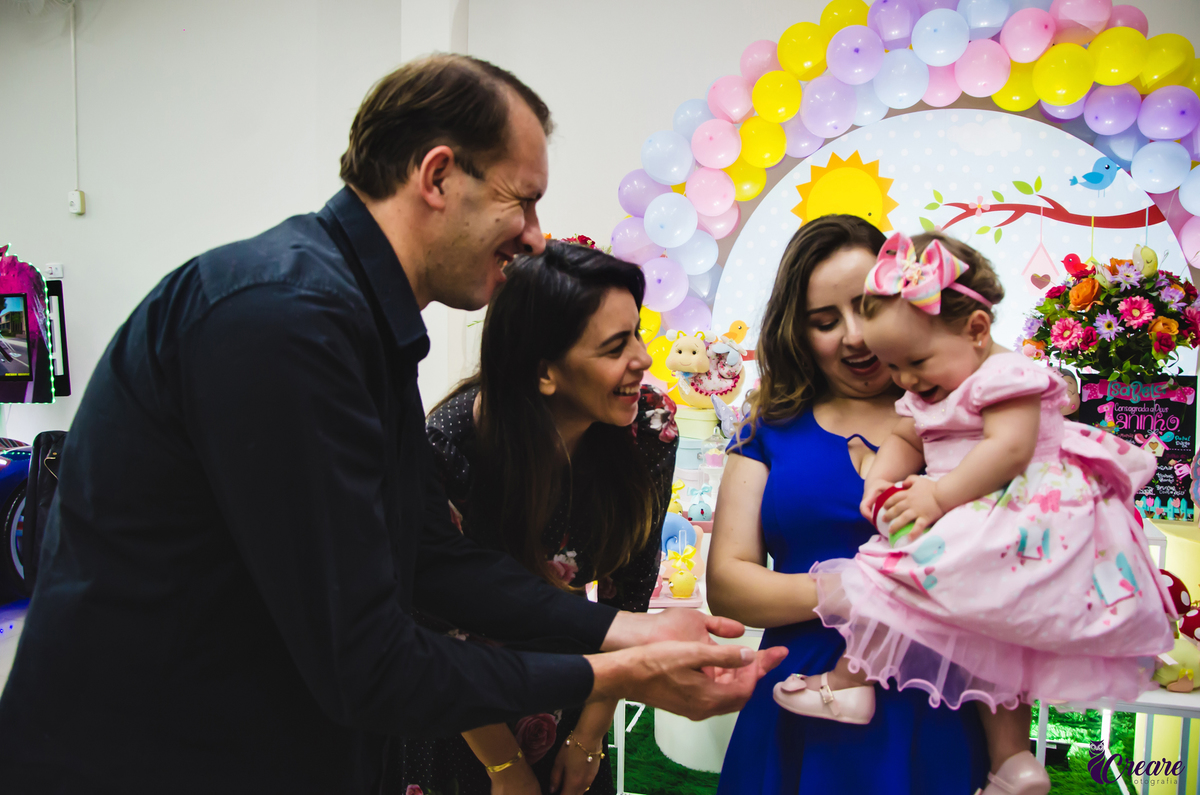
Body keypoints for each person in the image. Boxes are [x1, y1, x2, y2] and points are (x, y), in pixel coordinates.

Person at [0, 54, 784, 793]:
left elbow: (431, 557)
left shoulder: (358, 326)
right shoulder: (284, 320)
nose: (536, 235)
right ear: (437, 176)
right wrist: (612, 672)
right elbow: (367, 658)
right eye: (522, 199)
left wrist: (624, 631)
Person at [776, 231, 1174, 795]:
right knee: (992, 645)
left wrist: (939, 498)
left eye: (916, 362)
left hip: (1015, 511)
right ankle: (1012, 763)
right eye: (895, 367)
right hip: (977, 507)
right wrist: (881, 478)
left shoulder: (1006, 375)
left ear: (977, 330)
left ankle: (849, 682)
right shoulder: (934, 383)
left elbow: (1009, 449)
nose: (906, 380)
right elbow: (906, 434)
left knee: (888, 579)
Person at [708, 215, 989, 794]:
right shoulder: (769, 425)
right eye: (825, 321)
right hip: (800, 698)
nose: (855, 336)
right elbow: (730, 586)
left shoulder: (965, 417)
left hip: (935, 703)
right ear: (797, 330)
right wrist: (854, 590)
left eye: (865, 307)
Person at [389, 240, 677, 795]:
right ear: (544, 371)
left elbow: (630, 595)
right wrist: (504, 768)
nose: (643, 358)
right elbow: (435, 630)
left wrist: (588, 736)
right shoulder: (449, 448)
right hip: (461, 710)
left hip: (574, 688)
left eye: (637, 334)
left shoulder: (647, 430)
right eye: (615, 346)